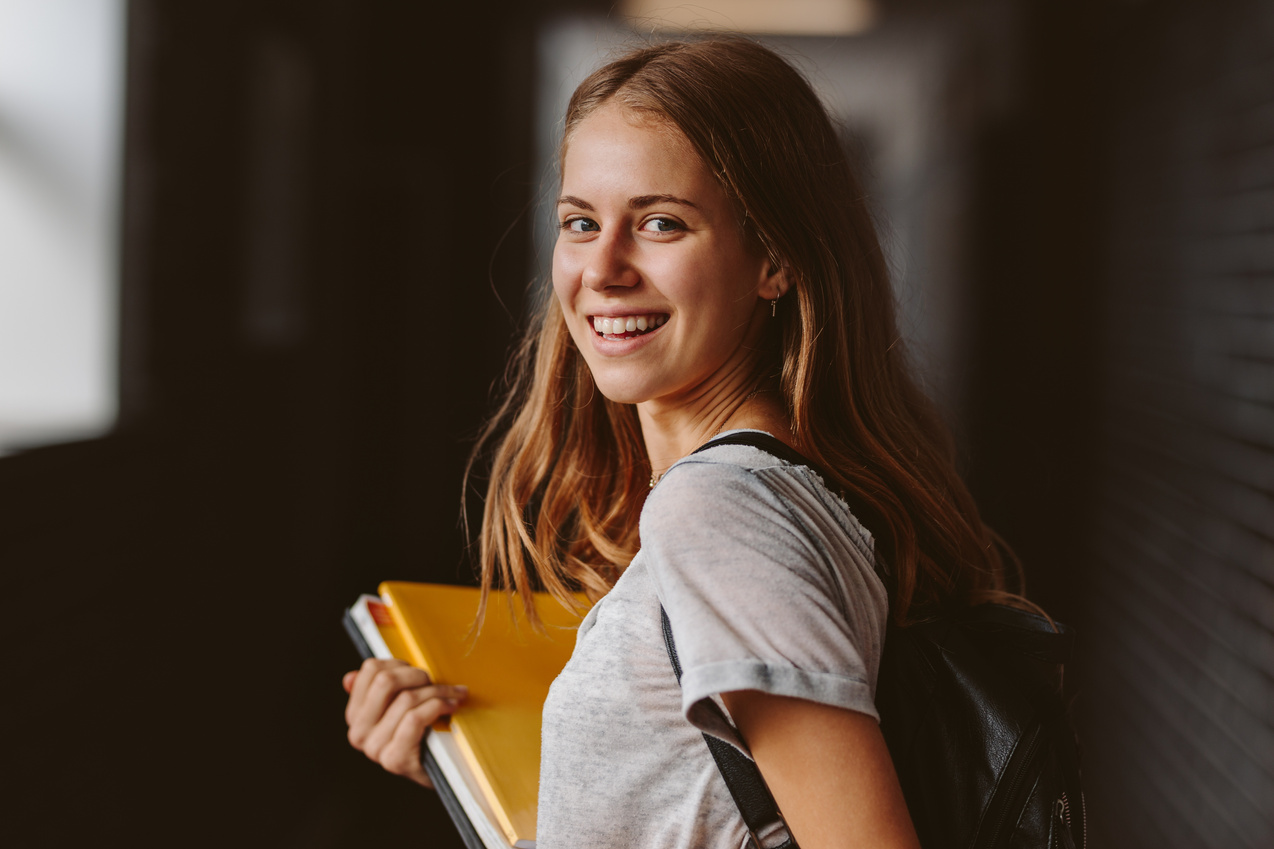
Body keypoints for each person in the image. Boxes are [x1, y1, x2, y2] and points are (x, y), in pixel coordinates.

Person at [343, 36, 1027, 849]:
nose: (603, 267)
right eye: (580, 222)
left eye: (660, 222)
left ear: (774, 256)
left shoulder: (720, 511)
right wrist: (466, 761)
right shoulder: (777, 493)